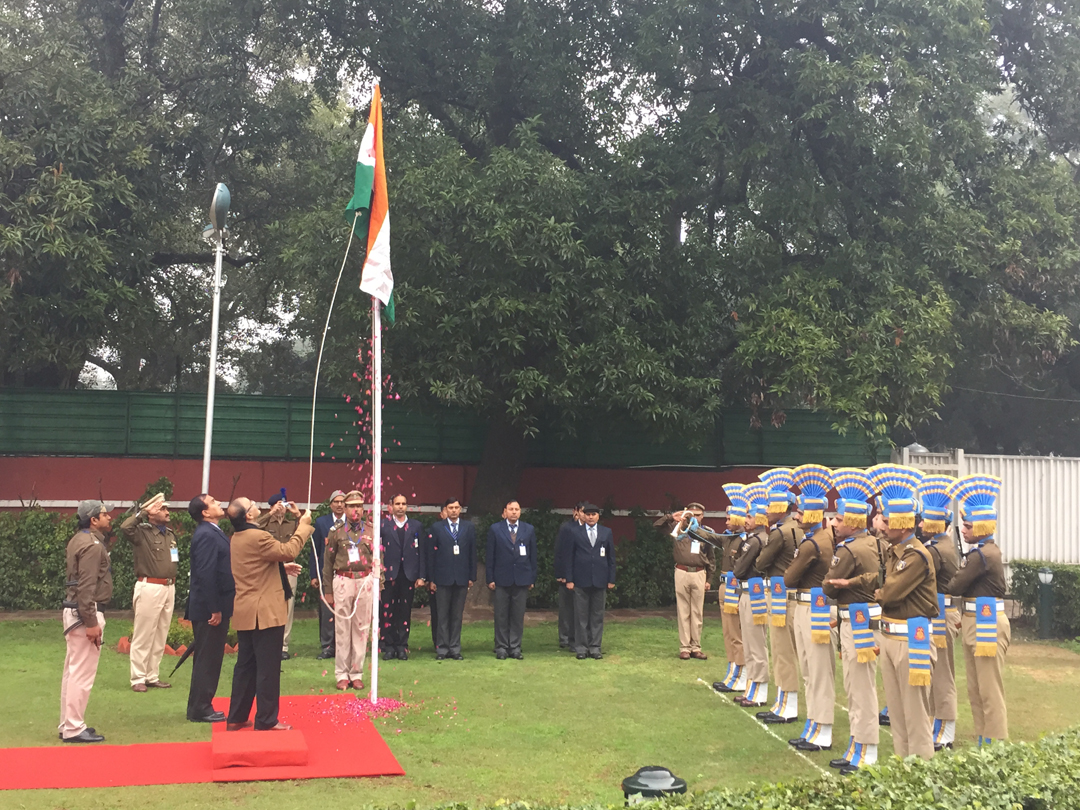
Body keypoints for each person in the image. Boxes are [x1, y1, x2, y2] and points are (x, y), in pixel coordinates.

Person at [867, 463, 938, 762]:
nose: (881, 524)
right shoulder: (895, 552)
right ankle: (903, 773)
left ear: (903, 523)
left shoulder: (916, 555)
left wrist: (880, 592)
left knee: (916, 716)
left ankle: (921, 775)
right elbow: (880, 582)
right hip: (892, 637)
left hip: (913, 639)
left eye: (886, 519)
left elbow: (891, 593)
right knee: (897, 714)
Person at [225, 497, 311, 731]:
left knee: (246, 666)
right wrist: (303, 525)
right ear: (249, 515)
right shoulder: (259, 537)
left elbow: (253, 565)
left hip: (246, 609)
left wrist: (279, 568)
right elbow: (289, 550)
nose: (256, 504)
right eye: (251, 504)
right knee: (268, 668)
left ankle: (237, 717)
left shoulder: (238, 537)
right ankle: (266, 719)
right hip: (265, 612)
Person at [821, 468, 881, 774]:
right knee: (859, 685)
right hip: (864, 618)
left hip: (856, 618)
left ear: (854, 521)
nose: (833, 523)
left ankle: (865, 749)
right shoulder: (872, 543)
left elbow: (828, 586)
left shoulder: (849, 549)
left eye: (840, 519)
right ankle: (859, 745)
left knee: (859, 686)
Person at [946, 474, 1009, 747]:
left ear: (983, 526)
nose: (965, 529)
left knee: (988, 688)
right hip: (975, 618)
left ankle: (994, 741)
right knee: (976, 687)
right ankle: (984, 738)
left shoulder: (981, 555)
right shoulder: (983, 551)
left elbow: (956, 585)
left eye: (969, 525)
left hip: (986, 621)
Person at [785, 464, 838, 752]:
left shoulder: (812, 544)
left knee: (817, 671)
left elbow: (789, 578)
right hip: (814, 606)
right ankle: (816, 724)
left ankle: (823, 729)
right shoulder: (823, 538)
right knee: (811, 670)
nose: (796, 515)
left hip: (813, 607)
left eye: (801, 511)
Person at [59, 500, 114, 743]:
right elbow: (87, 586)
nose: (109, 517)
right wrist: (91, 621)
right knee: (81, 674)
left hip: (75, 612)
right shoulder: (92, 545)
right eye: (104, 514)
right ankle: (73, 727)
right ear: (93, 519)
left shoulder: (78, 539)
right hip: (85, 613)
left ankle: (68, 724)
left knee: (72, 673)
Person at [755, 468, 803, 724]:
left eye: (770, 505)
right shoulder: (796, 529)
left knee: (782, 650)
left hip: (779, 593)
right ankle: (785, 701)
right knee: (788, 650)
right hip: (792, 593)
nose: (766, 509)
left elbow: (762, 563)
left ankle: (787, 703)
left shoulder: (779, 532)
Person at [917, 474, 961, 751]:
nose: (920, 524)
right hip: (939, 613)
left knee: (942, 673)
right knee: (935, 672)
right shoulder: (940, 545)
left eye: (924, 520)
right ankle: (938, 724)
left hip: (941, 614)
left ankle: (945, 729)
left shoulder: (935, 550)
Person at [120, 492, 177, 692]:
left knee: (161, 634)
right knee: (144, 634)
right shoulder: (142, 532)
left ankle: (152, 675)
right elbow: (125, 527)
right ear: (151, 512)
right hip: (149, 586)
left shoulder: (169, 534)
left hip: (169, 586)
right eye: (162, 509)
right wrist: (143, 513)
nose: (167, 512)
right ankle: (138, 678)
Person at [323, 491, 380, 689]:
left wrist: (378, 586)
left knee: (361, 629)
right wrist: (327, 590)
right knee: (342, 628)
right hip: (343, 580)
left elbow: (379, 561)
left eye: (359, 506)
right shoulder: (336, 531)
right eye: (352, 506)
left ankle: (356, 673)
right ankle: (341, 674)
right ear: (345, 509)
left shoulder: (372, 530)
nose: (356, 509)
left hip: (365, 580)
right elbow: (328, 563)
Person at [185, 493, 233, 723]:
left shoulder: (213, 532)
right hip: (209, 609)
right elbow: (205, 573)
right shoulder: (206, 535)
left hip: (212, 606)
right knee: (208, 659)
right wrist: (214, 608)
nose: (219, 503)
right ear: (204, 512)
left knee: (209, 658)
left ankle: (200, 705)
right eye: (214, 501)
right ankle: (200, 708)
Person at [661, 502, 718, 660]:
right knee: (683, 611)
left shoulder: (706, 532)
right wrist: (671, 517)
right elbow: (658, 526)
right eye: (692, 514)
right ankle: (684, 647)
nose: (695, 517)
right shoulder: (678, 528)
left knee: (697, 612)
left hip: (699, 572)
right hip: (681, 571)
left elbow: (711, 558)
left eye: (698, 515)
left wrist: (710, 578)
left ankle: (696, 647)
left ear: (702, 516)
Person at [731, 482, 771, 707]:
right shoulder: (757, 538)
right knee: (751, 643)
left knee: (755, 644)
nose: (745, 519)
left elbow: (738, 569)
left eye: (749, 516)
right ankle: (753, 688)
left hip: (754, 593)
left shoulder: (755, 541)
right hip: (752, 591)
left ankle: (759, 690)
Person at [425, 498, 476, 660]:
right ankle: (442, 648)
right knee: (442, 614)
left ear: (460, 509)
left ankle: (455, 648)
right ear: (445, 510)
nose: (454, 510)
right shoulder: (437, 527)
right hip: (442, 577)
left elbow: (472, 553)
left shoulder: (468, 527)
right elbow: (431, 554)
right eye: (450, 508)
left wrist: (471, 576)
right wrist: (431, 579)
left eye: (456, 507)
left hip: (461, 577)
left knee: (456, 614)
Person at [486, 500, 537, 659]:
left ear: (520, 512)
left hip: (522, 578)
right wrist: (490, 578)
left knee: (517, 614)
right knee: (501, 614)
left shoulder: (528, 529)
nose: (514, 512)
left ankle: (515, 647)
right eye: (511, 509)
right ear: (505, 512)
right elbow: (490, 555)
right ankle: (501, 647)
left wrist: (531, 578)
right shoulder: (495, 529)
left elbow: (533, 556)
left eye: (516, 509)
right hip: (501, 578)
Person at [565, 503, 616, 659]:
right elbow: (569, 557)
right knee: (580, 616)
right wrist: (570, 579)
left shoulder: (606, 532)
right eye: (588, 514)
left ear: (598, 516)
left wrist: (611, 578)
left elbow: (611, 558)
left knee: (597, 615)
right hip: (580, 580)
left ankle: (595, 647)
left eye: (594, 514)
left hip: (600, 580)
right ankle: (581, 647)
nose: (591, 517)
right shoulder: (575, 532)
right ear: (583, 516)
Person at [380, 494, 426, 660]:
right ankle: (388, 646)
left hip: (408, 575)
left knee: (404, 612)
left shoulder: (416, 526)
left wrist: (421, 576)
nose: (400, 506)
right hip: (388, 575)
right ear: (391, 506)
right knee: (387, 611)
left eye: (403, 504)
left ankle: (402, 646)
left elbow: (422, 552)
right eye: (397, 504)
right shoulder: (383, 525)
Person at [258, 492, 301, 661]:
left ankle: (283, 644)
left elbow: (303, 532)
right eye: (278, 505)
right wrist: (270, 514)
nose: (281, 508)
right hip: (270, 568)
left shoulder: (291, 524)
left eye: (283, 504)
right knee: (268, 605)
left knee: (288, 606)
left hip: (289, 567)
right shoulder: (265, 521)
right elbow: (252, 527)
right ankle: (268, 642)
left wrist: (297, 514)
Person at [713, 483, 748, 694]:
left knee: (736, 633)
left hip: (737, 588)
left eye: (729, 518)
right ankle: (732, 669)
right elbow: (709, 537)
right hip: (725, 586)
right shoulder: (729, 538)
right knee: (728, 632)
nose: (726, 522)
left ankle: (741, 674)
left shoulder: (745, 540)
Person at [311, 490, 346, 660]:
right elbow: (315, 550)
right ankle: (327, 646)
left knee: (345, 610)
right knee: (327, 610)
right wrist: (314, 574)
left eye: (342, 502)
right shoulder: (321, 522)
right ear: (330, 504)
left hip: (346, 573)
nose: (339, 505)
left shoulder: (353, 524)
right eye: (336, 502)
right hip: (326, 573)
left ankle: (343, 645)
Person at [554, 502, 584, 650]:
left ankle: (578, 637)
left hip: (582, 574)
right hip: (567, 574)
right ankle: (564, 637)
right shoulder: (567, 528)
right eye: (583, 512)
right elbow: (560, 552)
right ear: (576, 512)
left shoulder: (591, 528)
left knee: (579, 608)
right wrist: (561, 574)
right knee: (566, 607)